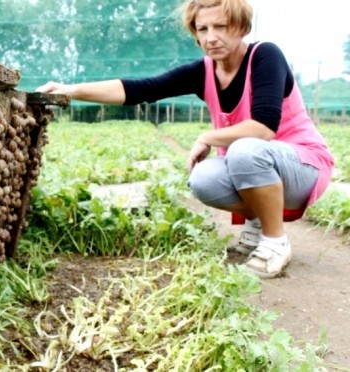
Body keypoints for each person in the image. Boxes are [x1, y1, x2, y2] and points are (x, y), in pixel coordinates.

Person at [36, 0, 334, 279]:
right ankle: (257, 225)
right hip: (257, 163)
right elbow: (142, 89)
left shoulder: (265, 55)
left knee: (245, 150)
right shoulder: (203, 71)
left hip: (303, 165)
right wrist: (71, 90)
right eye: (203, 29)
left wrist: (208, 135)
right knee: (203, 178)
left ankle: (276, 242)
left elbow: (264, 128)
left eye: (221, 27)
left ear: (242, 28)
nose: (211, 37)